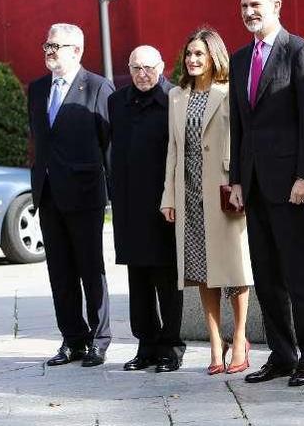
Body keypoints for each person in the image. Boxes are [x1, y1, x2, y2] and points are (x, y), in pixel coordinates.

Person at [227, 0, 304, 387]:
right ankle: (282, 354)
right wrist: (236, 178)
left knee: (299, 274)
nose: (249, 12)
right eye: (244, 6)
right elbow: (239, 124)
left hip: (292, 186)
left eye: (256, 4)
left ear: (276, 5)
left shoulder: (300, 52)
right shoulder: (238, 60)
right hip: (253, 185)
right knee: (267, 277)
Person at [161, 28, 254, 375]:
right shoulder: (176, 96)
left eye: (200, 54)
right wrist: (168, 197)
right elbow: (173, 149)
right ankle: (216, 343)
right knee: (200, 271)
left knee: (234, 269)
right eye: (189, 54)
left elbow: (243, 143)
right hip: (190, 196)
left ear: (214, 56)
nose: (193, 60)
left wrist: (240, 184)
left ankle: (241, 336)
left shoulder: (230, 92)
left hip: (224, 193)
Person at [27, 23, 113, 367]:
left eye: (56, 46)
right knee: (60, 272)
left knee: (91, 269)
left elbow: (109, 144)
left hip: (84, 194)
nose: (49, 51)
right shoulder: (36, 89)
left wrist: (115, 193)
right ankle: (72, 339)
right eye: (47, 44)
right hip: (48, 194)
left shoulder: (97, 87)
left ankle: (99, 339)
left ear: (77, 50)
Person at [109, 45, 186, 372]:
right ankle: (146, 345)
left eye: (149, 68)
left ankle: (171, 347)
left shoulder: (174, 99)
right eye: (137, 68)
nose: (143, 74)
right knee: (137, 279)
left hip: (163, 205)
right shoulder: (116, 102)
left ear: (162, 66)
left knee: (167, 280)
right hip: (128, 206)